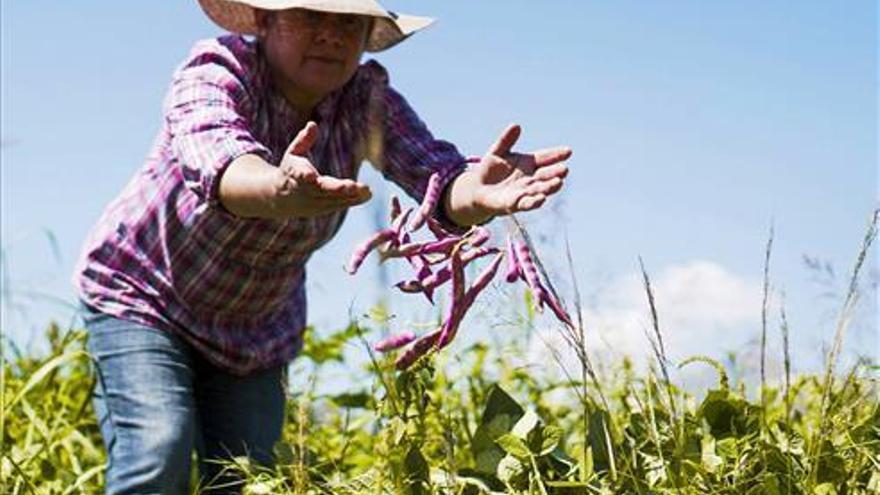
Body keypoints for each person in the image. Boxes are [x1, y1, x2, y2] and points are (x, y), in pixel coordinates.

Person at [72, 0, 572, 492]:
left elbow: (435, 175)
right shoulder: (218, 68)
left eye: (348, 23)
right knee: (161, 451)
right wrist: (278, 189)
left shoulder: (366, 100)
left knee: (248, 481)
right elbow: (216, 153)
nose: (331, 34)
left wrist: (476, 194)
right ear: (265, 21)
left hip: (255, 330)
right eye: (310, 16)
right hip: (142, 296)